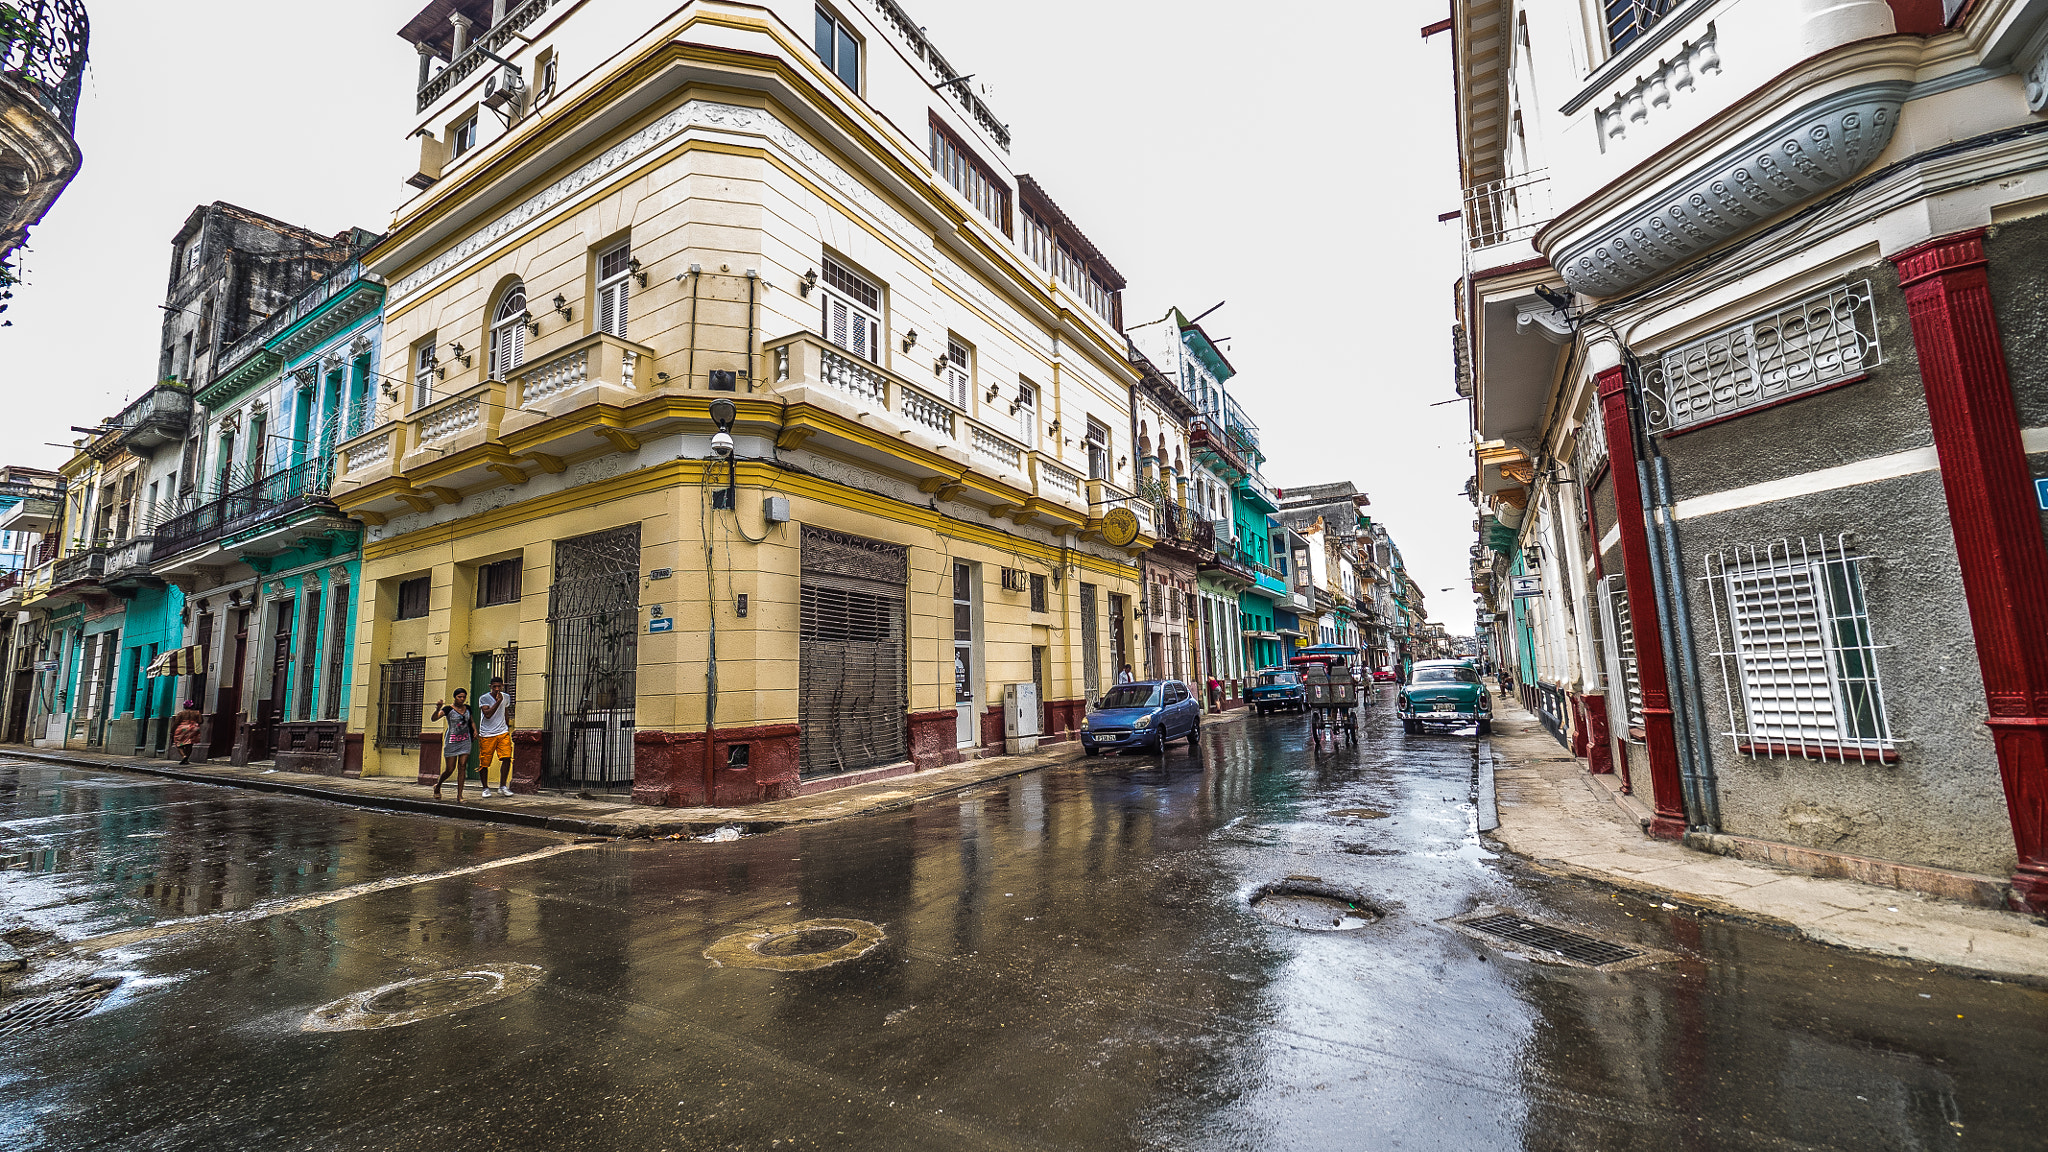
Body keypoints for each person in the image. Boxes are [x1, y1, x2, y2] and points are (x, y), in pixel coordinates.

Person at [475, 676, 515, 796]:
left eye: (499, 686)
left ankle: (503, 786)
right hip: (487, 734)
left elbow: (505, 711)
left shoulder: (506, 697)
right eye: (494, 687)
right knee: (485, 762)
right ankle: (485, 788)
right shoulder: (484, 698)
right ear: (490, 687)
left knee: (507, 757)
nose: (497, 689)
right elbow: (487, 714)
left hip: (502, 732)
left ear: (502, 686)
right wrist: (498, 701)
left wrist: (507, 726)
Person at [431, 690, 474, 802]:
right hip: (452, 741)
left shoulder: (468, 708)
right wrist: (437, 709)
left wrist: (474, 730)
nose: (462, 699)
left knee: (462, 766)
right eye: (459, 697)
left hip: (465, 740)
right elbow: (434, 718)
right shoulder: (448, 709)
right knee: (450, 769)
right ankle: (438, 786)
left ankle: (459, 795)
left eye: (464, 697)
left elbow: (471, 721)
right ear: (455, 697)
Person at [170, 700, 203, 765]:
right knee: (190, 744)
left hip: (183, 729)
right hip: (194, 728)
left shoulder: (181, 713)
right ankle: (186, 759)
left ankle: (183, 756)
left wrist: (172, 731)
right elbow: (200, 721)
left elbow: (176, 723)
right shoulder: (197, 713)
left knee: (178, 743)